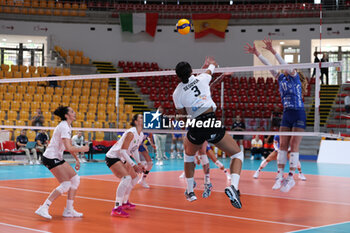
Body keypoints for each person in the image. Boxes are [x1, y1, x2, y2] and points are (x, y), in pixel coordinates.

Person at [173, 56, 244, 209]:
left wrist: (189, 130)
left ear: (177, 76)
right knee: (237, 154)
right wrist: (208, 64)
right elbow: (213, 65)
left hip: (195, 125)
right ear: (192, 71)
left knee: (188, 156)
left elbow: (181, 115)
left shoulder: (176, 93)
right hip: (210, 121)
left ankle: (190, 191)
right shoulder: (203, 78)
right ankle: (234, 187)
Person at [245, 38, 308, 192]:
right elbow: (269, 65)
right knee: (282, 147)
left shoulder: (294, 78)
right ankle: (279, 177)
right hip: (287, 114)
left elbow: (283, 65)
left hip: (299, 113)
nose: (284, 68)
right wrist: (258, 53)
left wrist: (274, 51)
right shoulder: (280, 78)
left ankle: (291, 177)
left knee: (294, 146)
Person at [35, 106, 89, 219]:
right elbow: (69, 146)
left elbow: (67, 146)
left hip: (57, 157)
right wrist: (82, 149)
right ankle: (44, 207)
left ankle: (69, 210)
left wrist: (77, 159)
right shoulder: (64, 127)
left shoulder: (68, 126)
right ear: (66, 115)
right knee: (66, 184)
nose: (74, 113)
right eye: (72, 111)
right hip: (50, 157)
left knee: (75, 179)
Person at [105, 114, 144, 218]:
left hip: (122, 157)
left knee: (134, 178)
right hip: (113, 157)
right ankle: (117, 208)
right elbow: (122, 151)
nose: (143, 118)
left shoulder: (141, 134)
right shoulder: (131, 133)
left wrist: (139, 162)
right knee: (126, 178)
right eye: (140, 117)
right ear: (135, 122)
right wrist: (133, 165)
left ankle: (125, 202)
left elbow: (134, 149)